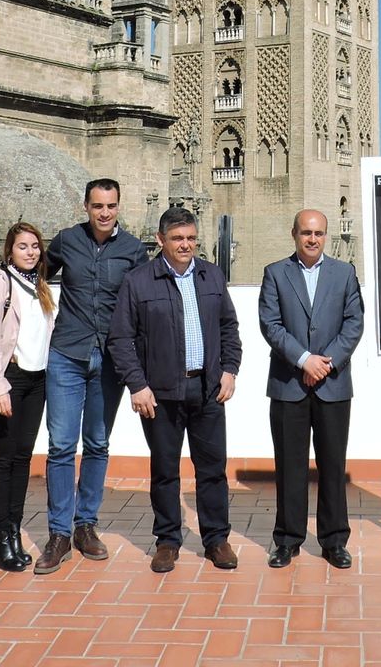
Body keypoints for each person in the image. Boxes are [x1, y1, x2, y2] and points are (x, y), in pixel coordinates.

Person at [108, 206, 243, 574]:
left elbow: (229, 328)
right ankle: (167, 541)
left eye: (191, 238)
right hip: (161, 394)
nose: (186, 245)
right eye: (178, 238)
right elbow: (120, 339)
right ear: (161, 240)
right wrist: (137, 385)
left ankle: (216, 540)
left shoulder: (211, 275)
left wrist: (230, 370)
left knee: (212, 469)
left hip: (207, 389)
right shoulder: (139, 281)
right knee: (165, 470)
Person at [37, 179, 147, 574]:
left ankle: (85, 525)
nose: (104, 212)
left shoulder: (134, 250)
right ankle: (58, 533)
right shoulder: (67, 240)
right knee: (62, 445)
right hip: (68, 353)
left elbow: (142, 303)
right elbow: (34, 272)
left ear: (119, 206)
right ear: (86, 206)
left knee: (97, 443)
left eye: (111, 206)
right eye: (98, 205)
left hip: (111, 360)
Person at [258, 209, 365, 569]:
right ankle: (287, 540)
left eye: (319, 233)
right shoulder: (275, 273)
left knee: (333, 465)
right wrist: (304, 360)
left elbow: (354, 323)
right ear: (294, 234)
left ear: (327, 236)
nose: (312, 239)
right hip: (289, 384)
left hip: (333, 385)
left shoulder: (345, 273)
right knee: (290, 466)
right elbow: (270, 325)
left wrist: (325, 361)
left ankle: (334, 540)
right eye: (306, 232)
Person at [0, 221, 56, 573]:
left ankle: (13, 532)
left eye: (35, 246)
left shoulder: (39, 287)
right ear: (9, 250)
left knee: (23, 458)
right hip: (9, 381)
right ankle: (0, 538)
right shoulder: (0, 286)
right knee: (3, 459)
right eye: (23, 246)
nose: (30, 252)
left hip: (37, 380)